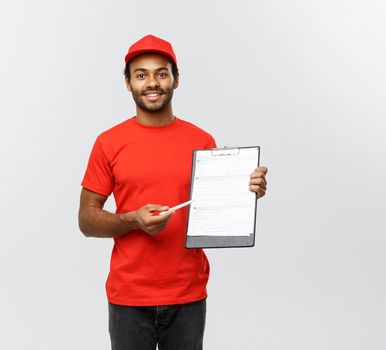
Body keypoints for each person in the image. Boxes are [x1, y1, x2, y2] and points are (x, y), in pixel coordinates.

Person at [78, 34, 268, 350]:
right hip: (129, 297)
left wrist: (245, 190)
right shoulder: (108, 142)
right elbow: (86, 220)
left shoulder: (201, 139)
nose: (152, 82)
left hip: (188, 296)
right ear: (128, 83)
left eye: (161, 73)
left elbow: (215, 207)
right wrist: (133, 221)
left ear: (176, 80)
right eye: (141, 75)